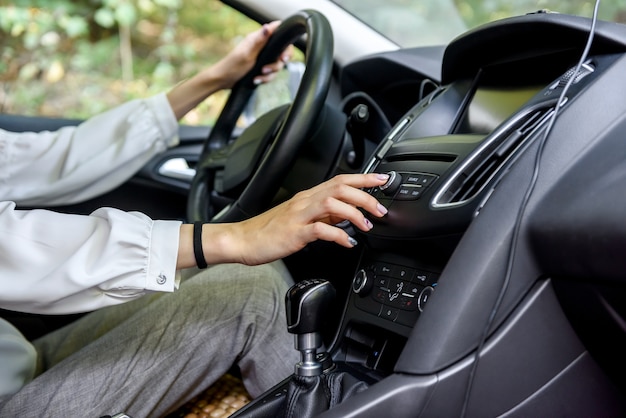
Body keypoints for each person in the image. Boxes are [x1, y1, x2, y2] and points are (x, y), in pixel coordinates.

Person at [0, 21, 390, 417]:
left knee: (219, 274)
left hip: (17, 360)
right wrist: (233, 239)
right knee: (250, 292)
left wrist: (215, 78)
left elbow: (57, 158)